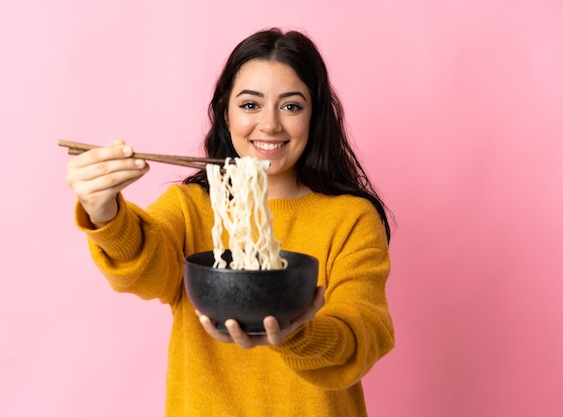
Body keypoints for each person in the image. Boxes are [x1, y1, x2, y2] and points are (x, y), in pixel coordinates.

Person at [66, 28, 394, 417]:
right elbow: (144, 268)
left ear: (315, 116)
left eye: (291, 106)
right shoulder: (192, 207)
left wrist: (298, 336)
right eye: (250, 105)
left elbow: (365, 332)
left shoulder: (349, 218)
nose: (270, 125)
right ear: (225, 112)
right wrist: (104, 211)